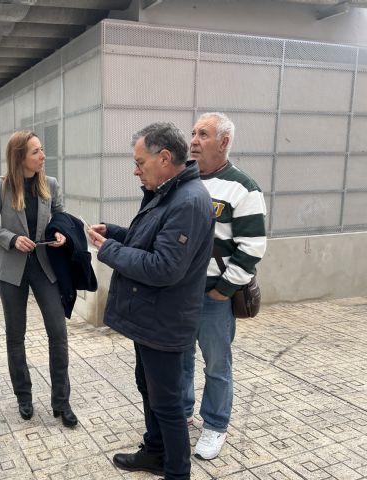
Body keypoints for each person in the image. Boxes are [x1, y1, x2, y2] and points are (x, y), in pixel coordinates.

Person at [87, 122, 214, 480]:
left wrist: (107, 249)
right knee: (149, 388)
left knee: (168, 403)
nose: (135, 169)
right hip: (151, 320)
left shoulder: (187, 200)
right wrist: (114, 233)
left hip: (166, 322)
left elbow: (164, 267)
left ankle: (177, 471)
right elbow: (150, 241)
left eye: (140, 162)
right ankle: (155, 452)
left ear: (164, 157)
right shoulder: (167, 191)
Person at [182, 112, 267, 460]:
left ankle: (215, 426)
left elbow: (252, 248)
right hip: (179, 294)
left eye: (204, 134)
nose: (194, 140)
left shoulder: (244, 188)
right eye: (193, 133)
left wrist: (223, 291)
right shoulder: (184, 179)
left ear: (224, 142)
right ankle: (183, 410)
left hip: (213, 297)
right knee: (181, 357)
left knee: (217, 364)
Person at [0, 130, 78, 428]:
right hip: (12, 271)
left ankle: (61, 402)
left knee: (58, 334)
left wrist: (62, 232)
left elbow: (61, 215)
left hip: (46, 268)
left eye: (41, 150)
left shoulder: (51, 184)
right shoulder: (0, 186)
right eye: (36, 151)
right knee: (15, 336)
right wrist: (11, 239)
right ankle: (24, 396)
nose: (42, 156)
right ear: (20, 156)